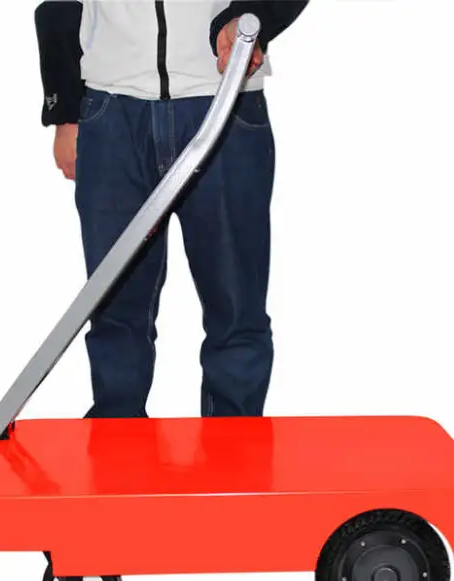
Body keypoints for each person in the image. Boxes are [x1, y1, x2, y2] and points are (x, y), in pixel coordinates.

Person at [34, 0, 308, 419]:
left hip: (223, 100)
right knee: (114, 306)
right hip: (112, 110)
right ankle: (117, 438)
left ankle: (233, 443)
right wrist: (65, 111)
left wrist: (249, 16)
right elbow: (59, 6)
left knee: (236, 306)